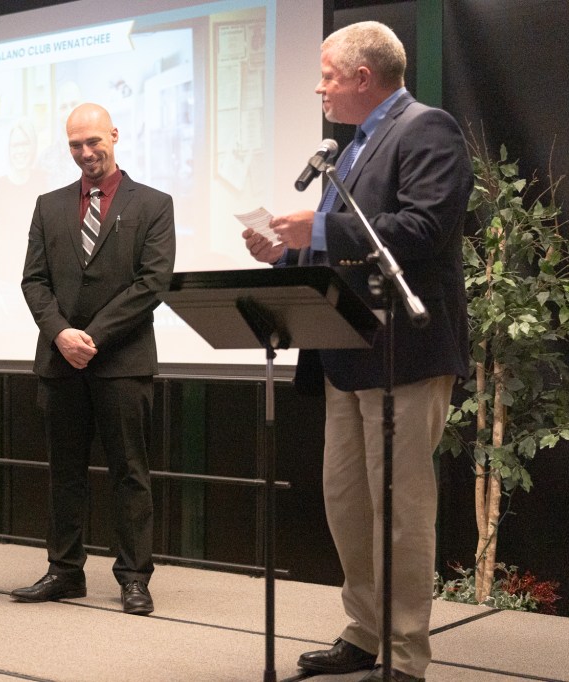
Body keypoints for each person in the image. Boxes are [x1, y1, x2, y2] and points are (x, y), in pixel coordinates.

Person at [241, 22, 471, 682]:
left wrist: (313, 227)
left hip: (403, 349)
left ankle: (403, 656)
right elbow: (347, 241)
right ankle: (364, 631)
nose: (318, 87)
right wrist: (288, 248)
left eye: (326, 76)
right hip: (342, 352)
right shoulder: (346, 151)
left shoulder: (426, 129)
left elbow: (421, 230)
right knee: (345, 504)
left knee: (398, 511)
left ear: (362, 78)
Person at [13, 103, 176, 616]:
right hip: (60, 362)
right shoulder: (48, 204)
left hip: (122, 362)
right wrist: (62, 334)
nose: (86, 153)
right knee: (65, 472)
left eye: (93, 142)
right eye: (75, 145)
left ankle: (133, 578)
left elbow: (153, 283)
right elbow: (33, 281)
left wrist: (92, 336)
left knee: (130, 472)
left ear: (114, 136)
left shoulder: (154, 203)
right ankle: (64, 572)